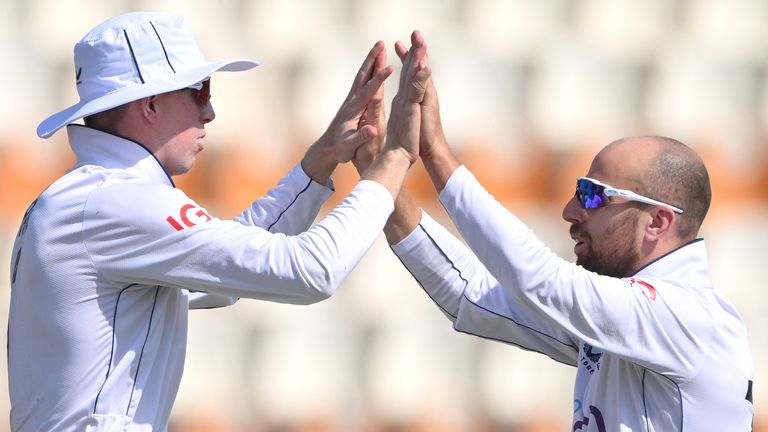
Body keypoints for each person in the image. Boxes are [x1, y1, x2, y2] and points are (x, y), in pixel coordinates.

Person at [8, 12, 430, 431]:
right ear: (150, 104)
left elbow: (235, 262)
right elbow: (312, 271)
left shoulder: (88, 199)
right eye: (199, 90)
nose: (209, 111)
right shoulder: (117, 202)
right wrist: (391, 162)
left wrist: (323, 158)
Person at [380, 35, 755, 431]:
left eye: (593, 196)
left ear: (658, 221)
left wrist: (436, 150)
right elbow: (470, 295)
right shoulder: (630, 321)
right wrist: (382, 173)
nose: (570, 211)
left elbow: (539, 278)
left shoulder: (690, 318)